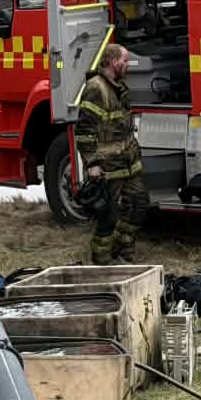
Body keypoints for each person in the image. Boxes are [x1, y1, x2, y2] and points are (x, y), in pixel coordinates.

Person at [75, 41, 148, 264]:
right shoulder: (96, 89)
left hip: (128, 162)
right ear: (113, 61)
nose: (128, 65)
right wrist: (92, 164)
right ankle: (102, 258)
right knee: (109, 215)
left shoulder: (118, 86)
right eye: (125, 61)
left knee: (139, 203)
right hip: (108, 166)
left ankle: (123, 248)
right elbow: (84, 131)